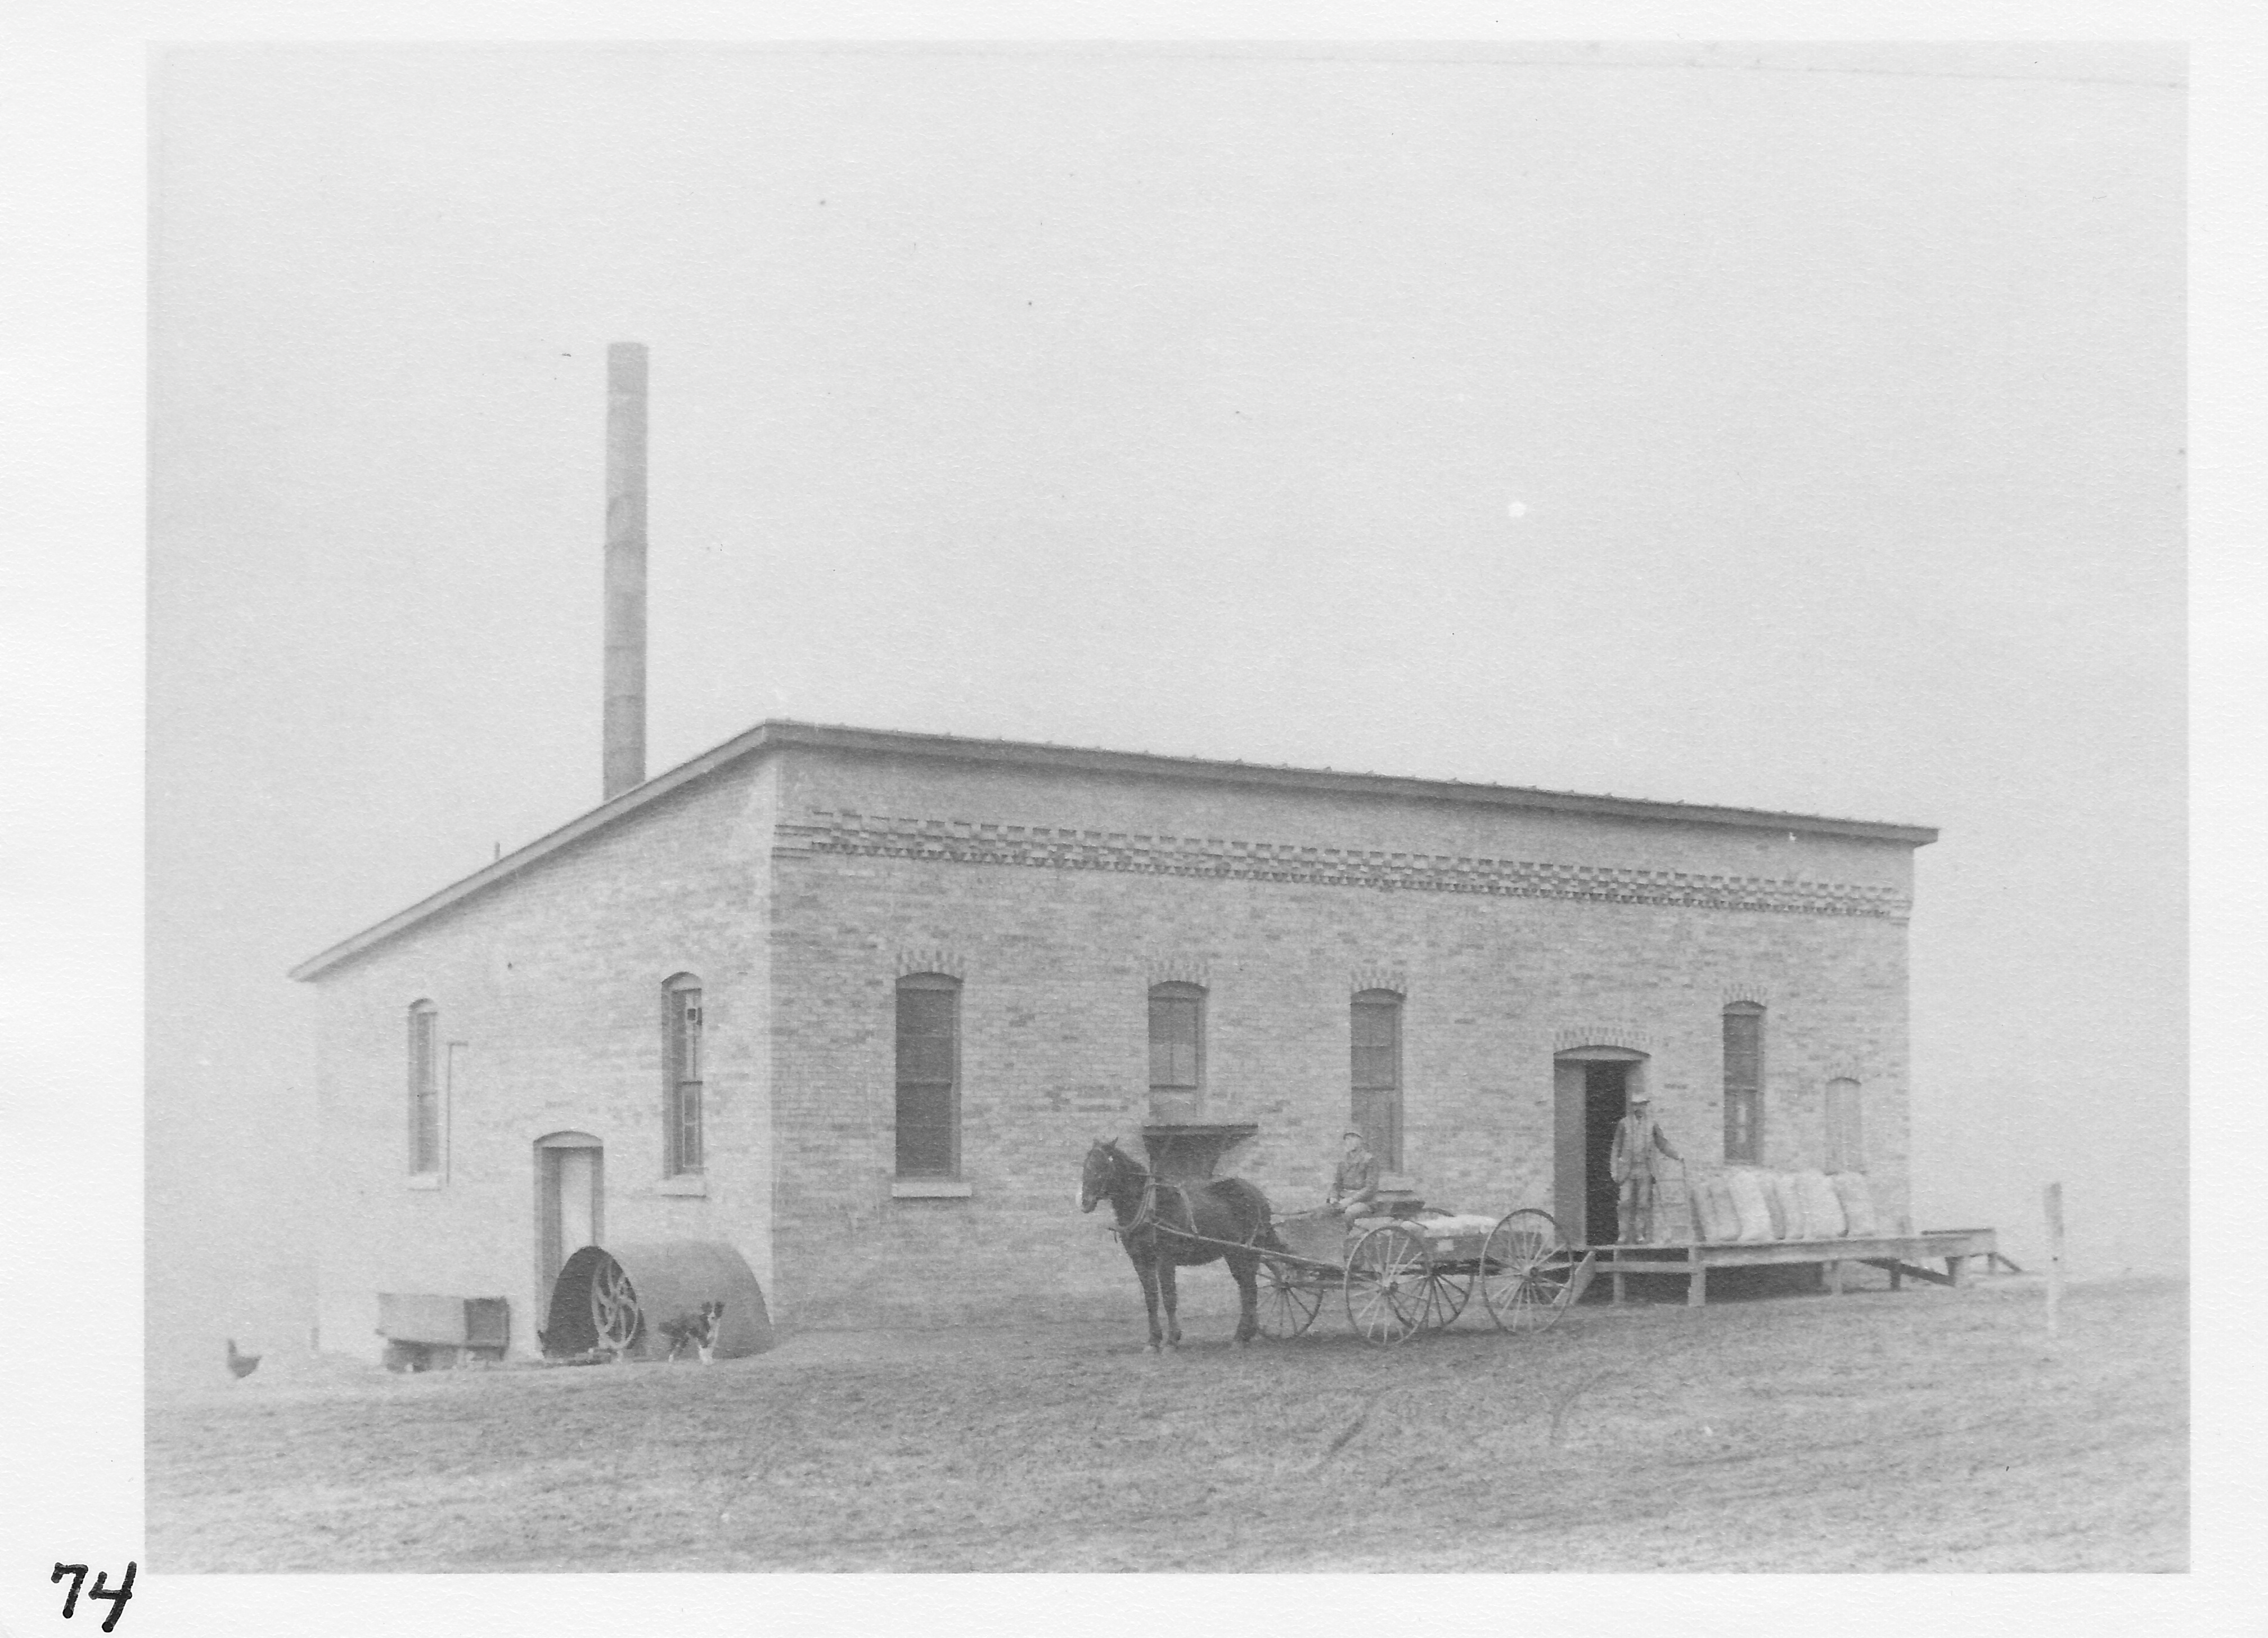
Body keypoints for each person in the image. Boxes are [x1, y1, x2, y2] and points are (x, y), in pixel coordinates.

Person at [1609, 1089, 1681, 1245]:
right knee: (1625, 1202)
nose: (1638, 1108)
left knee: (1643, 1203)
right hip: (1627, 1170)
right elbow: (1616, 1147)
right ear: (1631, 1106)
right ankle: (1623, 1235)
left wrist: (1677, 1156)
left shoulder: (1652, 1124)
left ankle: (1640, 1234)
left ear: (1646, 1106)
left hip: (1645, 1169)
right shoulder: (1624, 1124)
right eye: (1635, 1105)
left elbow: (1662, 1143)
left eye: (1641, 1105)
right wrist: (1614, 1169)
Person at [1327, 1130, 1381, 1219]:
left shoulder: (1369, 1160)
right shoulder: (1343, 1161)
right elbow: (1336, 1184)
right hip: (1343, 1199)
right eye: (1347, 1139)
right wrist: (1333, 1197)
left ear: (1361, 1140)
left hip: (1365, 1202)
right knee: (1324, 1211)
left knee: (1350, 1212)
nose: (1349, 1142)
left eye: (1353, 1138)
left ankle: (1345, 1233)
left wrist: (1351, 1200)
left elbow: (1371, 1188)